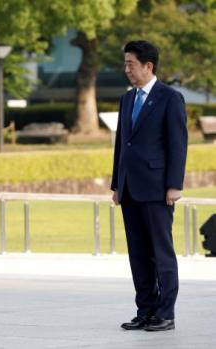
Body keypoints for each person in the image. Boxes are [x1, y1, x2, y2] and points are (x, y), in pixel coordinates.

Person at [111, 40, 187, 332]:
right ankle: (145, 310)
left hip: (158, 189)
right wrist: (117, 183)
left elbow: (177, 145)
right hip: (130, 189)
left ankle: (165, 313)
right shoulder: (127, 99)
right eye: (126, 63)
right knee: (138, 253)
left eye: (131, 63)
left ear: (148, 66)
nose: (126, 69)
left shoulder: (170, 98)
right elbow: (122, 146)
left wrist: (174, 185)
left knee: (160, 253)